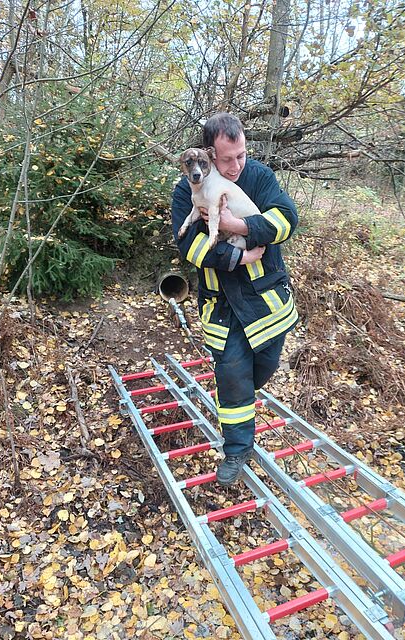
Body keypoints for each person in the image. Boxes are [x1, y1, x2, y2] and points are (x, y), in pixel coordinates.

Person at [171, 112, 299, 486]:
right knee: (233, 377)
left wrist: (237, 227)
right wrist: (236, 256)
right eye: (227, 159)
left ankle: (244, 392)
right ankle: (237, 449)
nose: (235, 165)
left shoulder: (258, 176)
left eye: (241, 155)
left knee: (265, 367)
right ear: (209, 154)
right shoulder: (188, 188)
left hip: (266, 301)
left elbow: (287, 219)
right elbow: (188, 246)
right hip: (222, 305)